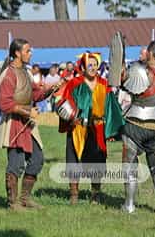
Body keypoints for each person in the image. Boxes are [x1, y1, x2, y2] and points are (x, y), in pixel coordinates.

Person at [56, 52, 124, 205]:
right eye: (89, 65)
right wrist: (71, 118)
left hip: (97, 127)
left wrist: (111, 131)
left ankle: (96, 194)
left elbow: (111, 108)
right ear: (83, 67)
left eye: (95, 65)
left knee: (97, 161)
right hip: (78, 128)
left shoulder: (104, 84)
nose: (93, 68)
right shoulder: (74, 83)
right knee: (73, 161)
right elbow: (64, 103)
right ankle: (74, 194)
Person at [0, 38, 50, 211]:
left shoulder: (26, 72)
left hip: (27, 124)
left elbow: (36, 95)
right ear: (17, 53)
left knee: (37, 159)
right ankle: (13, 203)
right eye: (27, 50)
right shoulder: (9, 74)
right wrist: (28, 112)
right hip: (14, 124)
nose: (30, 53)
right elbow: (4, 104)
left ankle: (25, 199)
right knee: (16, 163)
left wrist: (51, 88)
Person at [121, 40, 155, 214]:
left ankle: (129, 205)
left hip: (136, 123)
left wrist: (120, 67)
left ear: (150, 53)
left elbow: (124, 83)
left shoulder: (142, 71)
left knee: (129, 164)